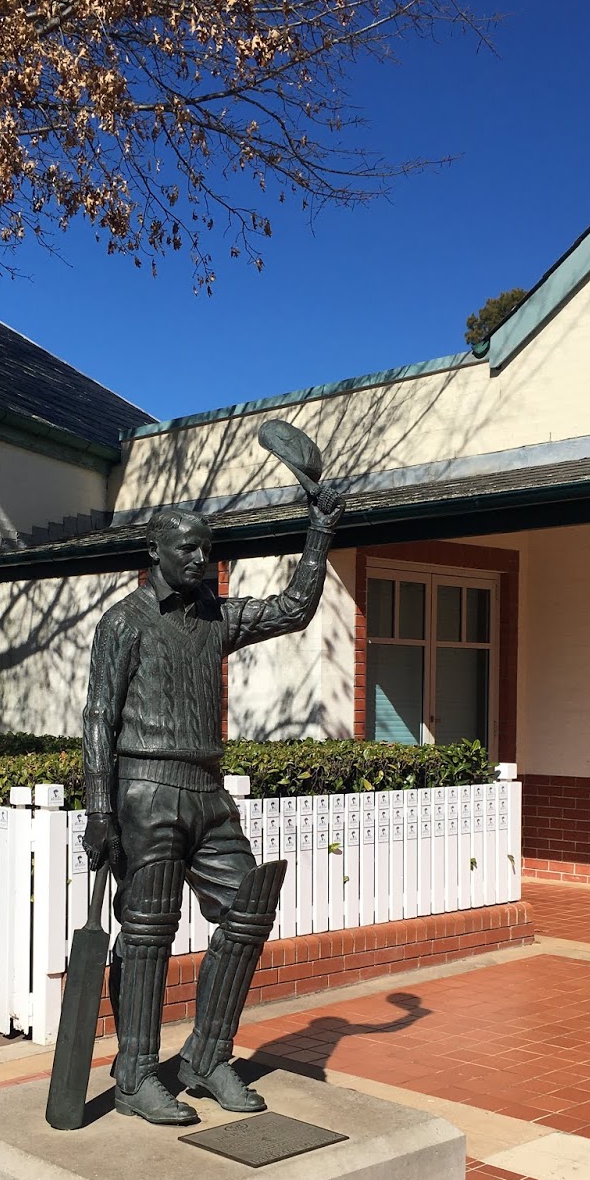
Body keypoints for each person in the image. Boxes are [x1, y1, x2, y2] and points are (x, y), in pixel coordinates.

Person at [82, 478, 344, 1125]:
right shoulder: (124, 622)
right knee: (148, 932)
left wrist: (319, 532)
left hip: (206, 789)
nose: (202, 559)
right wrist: (99, 809)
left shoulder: (216, 617)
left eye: (207, 549)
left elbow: (293, 609)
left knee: (247, 909)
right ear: (155, 551)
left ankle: (206, 1056)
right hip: (146, 789)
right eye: (190, 549)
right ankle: (136, 1073)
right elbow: (98, 718)